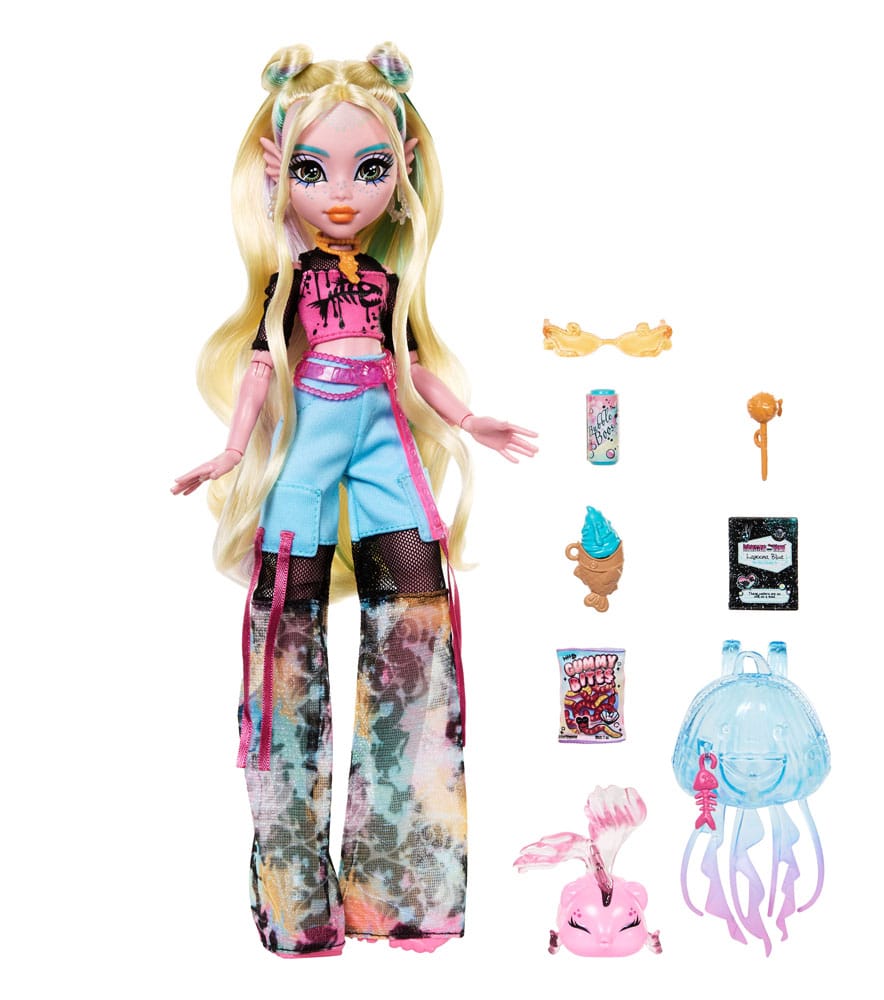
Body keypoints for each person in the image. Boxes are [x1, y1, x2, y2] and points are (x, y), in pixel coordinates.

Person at [173, 42, 537, 957]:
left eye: (369, 170)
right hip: (310, 443)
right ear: (278, 177)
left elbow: (411, 363)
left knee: (418, 634)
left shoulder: (384, 281)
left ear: (403, 173)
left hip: (384, 436)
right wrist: (230, 452)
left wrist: (472, 420)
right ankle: (296, 905)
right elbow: (262, 366)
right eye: (312, 170)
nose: (341, 194)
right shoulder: (290, 280)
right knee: (282, 656)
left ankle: (406, 894)